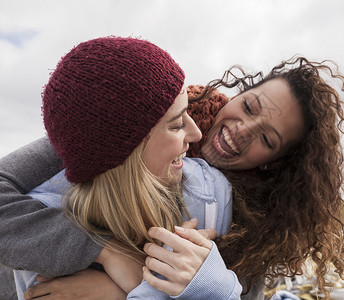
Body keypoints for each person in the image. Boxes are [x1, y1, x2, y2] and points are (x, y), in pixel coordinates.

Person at [0, 55, 344, 299]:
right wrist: (103, 250)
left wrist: (122, 289)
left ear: (276, 160)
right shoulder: (137, 114)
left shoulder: (262, 228)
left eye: (267, 139)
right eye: (250, 106)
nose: (242, 129)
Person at [5, 36, 241, 300]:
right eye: (176, 125)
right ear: (124, 153)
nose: (197, 134)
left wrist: (129, 290)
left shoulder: (213, 195)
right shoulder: (41, 237)